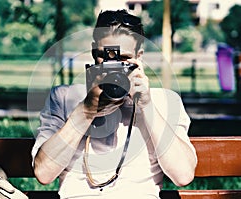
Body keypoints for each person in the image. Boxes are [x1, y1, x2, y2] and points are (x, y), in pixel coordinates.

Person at [31, 9, 197, 199]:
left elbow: (183, 175)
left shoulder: (165, 101)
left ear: (139, 57)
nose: (114, 66)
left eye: (124, 59)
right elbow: (43, 173)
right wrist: (85, 112)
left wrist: (147, 106)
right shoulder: (64, 98)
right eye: (105, 56)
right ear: (94, 53)